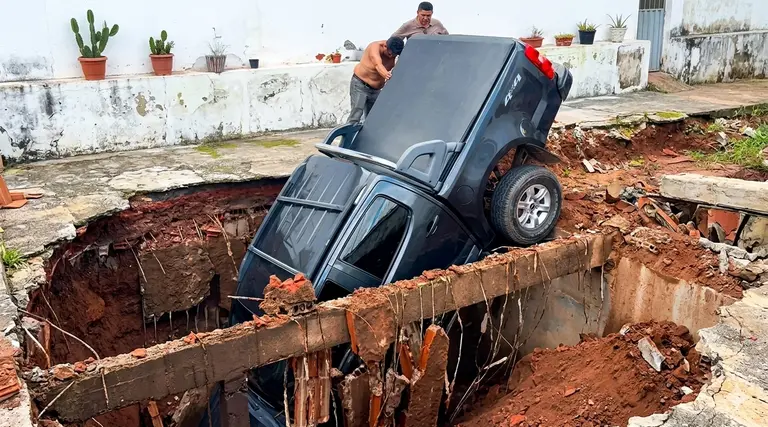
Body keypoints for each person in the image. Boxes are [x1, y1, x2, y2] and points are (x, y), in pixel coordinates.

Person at [346, 37, 404, 124]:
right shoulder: (374, 47)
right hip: (360, 85)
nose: (391, 56)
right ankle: (348, 137)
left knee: (373, 118)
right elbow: (378, 64)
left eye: (394, 55)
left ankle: (367, 137)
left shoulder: (395, 54)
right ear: (385, 46)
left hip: (375, 90)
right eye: (390, 53)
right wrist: (387, 75)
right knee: (356, 115)